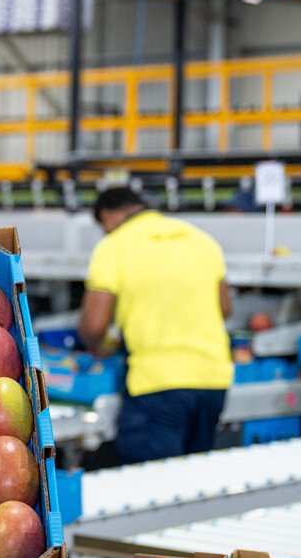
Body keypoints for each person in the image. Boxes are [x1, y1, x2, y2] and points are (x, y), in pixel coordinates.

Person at [78, 187, 234, 463]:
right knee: (196, 482)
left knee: (151, 487)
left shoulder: (114, 246)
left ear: (108, 217)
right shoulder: (201, 240)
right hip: (212, 381)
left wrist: (98, 347)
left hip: (157, 385)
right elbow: (224, 308)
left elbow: (93, 326)